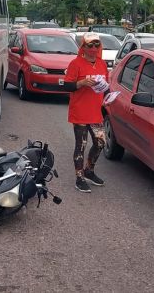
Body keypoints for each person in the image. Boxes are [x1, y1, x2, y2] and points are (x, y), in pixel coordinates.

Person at [63, 32, 108, 193]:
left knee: (100, 143)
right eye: (90, 45)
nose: (94, 48)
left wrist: (109, 96)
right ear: (84, 47)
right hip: (80, 112)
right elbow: (66, 86)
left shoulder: (102, 64)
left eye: (97, 44)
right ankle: (79, 177)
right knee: (80, 145)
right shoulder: (76, 64)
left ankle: (89, 170)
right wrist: (81, 83)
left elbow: (105, 86)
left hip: (96, 112)